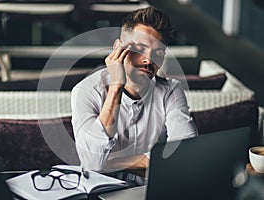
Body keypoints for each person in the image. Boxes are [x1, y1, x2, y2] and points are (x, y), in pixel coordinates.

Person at [71, 6, 198, 173]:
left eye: (158, 52)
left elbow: (185, 151)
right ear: (118, 47)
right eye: (139, 49)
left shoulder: (171, 90)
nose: (148, 60)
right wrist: (116, 85)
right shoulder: (85, 91)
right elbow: (93, 163)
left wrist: (111, 163)